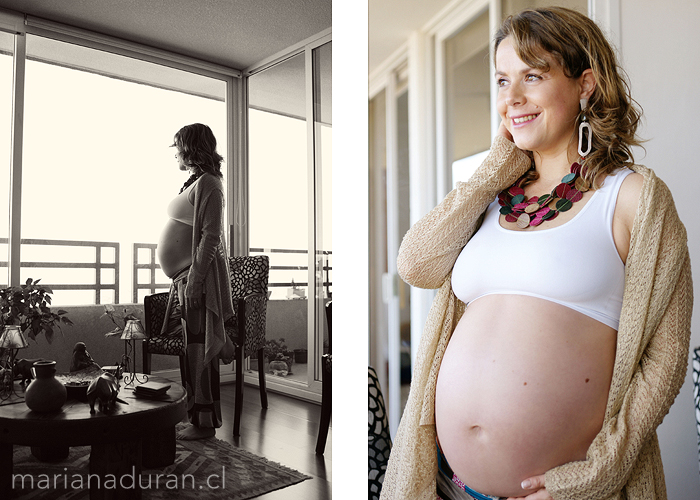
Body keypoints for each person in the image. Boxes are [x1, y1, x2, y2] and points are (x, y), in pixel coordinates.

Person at [380, 7, 692, 500]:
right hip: (450, 486)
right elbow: (415, 265)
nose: (512, 98)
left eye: (532, 76)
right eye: (503, 80)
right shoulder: (490, 197)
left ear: (584, 84)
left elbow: (668, 352)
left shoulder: (632, 197)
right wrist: (495, 168)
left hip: (565, 491)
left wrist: (598, 474)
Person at [157, 123, 234, 440]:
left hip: (196, 280)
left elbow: (211, 236)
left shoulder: (210, 184)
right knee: (194, 349)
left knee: (199, 351)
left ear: (190, 148)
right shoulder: (196, 183)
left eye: (177, 146)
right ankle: (196, 418)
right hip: (186, 277)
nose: (175, 153)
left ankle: (203, 424)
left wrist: (195, 281)